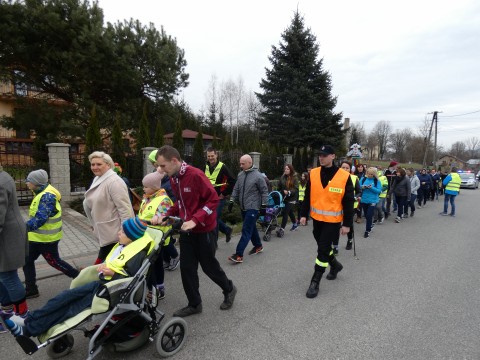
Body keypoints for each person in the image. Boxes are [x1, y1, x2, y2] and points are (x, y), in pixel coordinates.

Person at [4, 217, 153, 338]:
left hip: (110, 291)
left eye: (123, 232)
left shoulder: (137, 253)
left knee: (70, 308)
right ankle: (28, 319)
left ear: (132, 237)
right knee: (62, 298)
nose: (119, 233)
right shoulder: (123, 246)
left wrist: (112, 273)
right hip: (100, 284)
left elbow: (132, 277)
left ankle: (28, 330)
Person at [154, 145, 237, 317]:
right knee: (187, 269)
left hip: (204, 230)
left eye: (162, 165)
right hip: (187, 230)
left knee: (209, 267)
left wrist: (195, 220)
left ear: (174, 161)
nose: (159, 170)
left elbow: (213, 200)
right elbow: (180, 202)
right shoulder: (174, 178)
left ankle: (229, 288)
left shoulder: (195, 175)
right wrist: (167, 214)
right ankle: (194, 304)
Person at [300, 145, 354, 299]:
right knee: (323, 247)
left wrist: (347, 224)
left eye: (324, 155)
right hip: (317, 219)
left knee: (322, 249)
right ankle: (335, 265)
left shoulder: (344, 176)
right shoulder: (314, 173)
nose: (321, 158)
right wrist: (303, 214)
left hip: (333, 221)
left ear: (333, 156)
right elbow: (307, 195)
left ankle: (315, 281)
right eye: (319, 155)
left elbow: (349, 202)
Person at [22, 169, 79, 299]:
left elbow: (40, 219)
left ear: (36, 183)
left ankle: (79, 277)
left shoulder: (47, 196)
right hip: (35, 238)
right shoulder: (41, 191)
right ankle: (31, 289)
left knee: (55, 262)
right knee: (26, 261)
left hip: (47, 239)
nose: (26, 183)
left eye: (28, 181)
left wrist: (21, 229)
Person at [84, 151, 135, 265]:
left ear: (108, 164)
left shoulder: (114, 181)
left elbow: (125, 209)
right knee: (109, 264)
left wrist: (126, 232)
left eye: (99, 164)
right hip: (104, 230)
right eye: (93, 164)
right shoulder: (98, 178)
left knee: (104, 264)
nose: (95, 167)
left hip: (115, 233)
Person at [0, 165, 29, 333]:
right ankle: (8, 311)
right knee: (3, 275)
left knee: (8, 276)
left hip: (6, 236)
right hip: (7, 234)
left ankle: (22, 317)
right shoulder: (3, 175)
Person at [137, 171, 174, 301]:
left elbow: (165, 216)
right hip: (146, 237)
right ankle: (151, 288)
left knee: (155, 264)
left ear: (154, 188)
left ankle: (159, 288)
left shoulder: (163, 200)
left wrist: (158, 217)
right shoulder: (147, 198)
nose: (143, 188)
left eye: (146, 186)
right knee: (150, 264)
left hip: (157, 237)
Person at [227, 154, 269, 263]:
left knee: (246, 229)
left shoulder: (258, 176)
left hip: (253, 207)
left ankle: (238, 254)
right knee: (252, 228)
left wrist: (264, 205)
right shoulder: (240, 175)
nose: (241, 166)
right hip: (243, 207)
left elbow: (264, 191)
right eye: (240, 163)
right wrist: (231, 200)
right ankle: (258, 246)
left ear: (250, 163)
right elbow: (236, 189)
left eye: (243, 164)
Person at [148, 150, 179, 271]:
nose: (156, 167)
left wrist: (170, 211)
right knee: (163, 239)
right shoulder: (156, 175)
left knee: (165, 239)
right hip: (159, 211)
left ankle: (175, 257)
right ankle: (167, 259)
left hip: (166, 210)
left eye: (156, 164)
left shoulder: (168, 177)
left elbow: (174, 197)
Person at [205, 147, 235, 246]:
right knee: (212, 218)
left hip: (219, 198)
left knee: (213, 218)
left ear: (216, 155)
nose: (210, 158)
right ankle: (227, 230)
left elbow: (232, 181)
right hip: (207, 198)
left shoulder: (223, 167)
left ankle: (214, 243)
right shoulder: (205, 166)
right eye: (209, 156)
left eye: (212, 156)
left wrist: (224, 193)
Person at [340, 161, 361, 252]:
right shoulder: (335, 178)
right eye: (343, 167)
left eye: (347, 168)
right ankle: (335, 245)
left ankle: (349, 240)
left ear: (350, 169)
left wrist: (355, 197)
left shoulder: (354, 178)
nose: (345, 169)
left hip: (350, 205)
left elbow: (359, 191)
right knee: (335, 225)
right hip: (337, 205)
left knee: (348, 224)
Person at [359, 167, 382, 238]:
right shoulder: (363, 179)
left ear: (374, 174)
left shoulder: (377, 181)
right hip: (364, 200)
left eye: (371, 174)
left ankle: (367, 230)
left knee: (369, 215)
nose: (369, 175)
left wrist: (371, 187)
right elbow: (358, 187)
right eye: (368, 174)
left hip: (373, 201)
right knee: (366, 215)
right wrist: (363, 187)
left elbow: (379, 191)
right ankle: (370, 224)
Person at [277, 164, 299, 235]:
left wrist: (289, 192)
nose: (286, 170)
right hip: (285, 197)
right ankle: (295, 224)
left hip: (292, 197)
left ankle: (282, 229)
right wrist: (281, 191)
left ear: (291, 170)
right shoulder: (282, 177)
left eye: (287, 169)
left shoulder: (294, 178)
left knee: (285, 212)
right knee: (290, 211)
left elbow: (296, 189)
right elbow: (279, 186)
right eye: (285, 169)